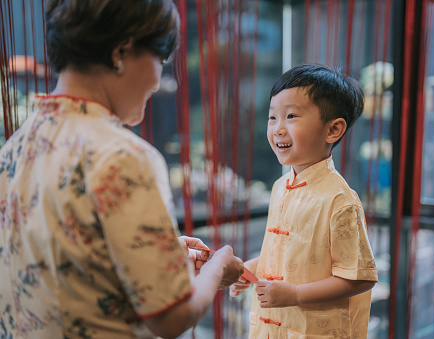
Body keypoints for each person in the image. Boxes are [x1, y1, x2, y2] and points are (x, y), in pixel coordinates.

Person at [0, 1, 244, 338]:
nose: (158, 81)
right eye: (160, 60)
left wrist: (161, 252)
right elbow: (172, 317)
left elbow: (60, 259)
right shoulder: (124, 156)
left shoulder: (13, 150)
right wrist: (217, 268)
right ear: (122, 51)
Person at [229, 64, 378, 338]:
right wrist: (250, 268)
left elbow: (357, 278)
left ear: (333, 130)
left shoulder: (340, 200)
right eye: (272, 117)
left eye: (291, 116)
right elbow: (284, 252)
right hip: (271, 325)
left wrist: (295, 294)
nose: (278, 129)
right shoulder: (279, 187)